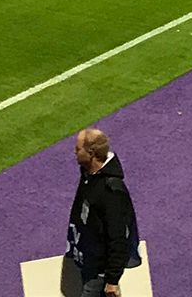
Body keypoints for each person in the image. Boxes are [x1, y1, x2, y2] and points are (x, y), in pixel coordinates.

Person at [65, 127, 140, 296]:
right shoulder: (89, 174)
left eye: (78, 149)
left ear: (91, 153)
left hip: (100, 271)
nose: (74, 152)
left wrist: (112, 280)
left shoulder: (111, 193)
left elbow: (118, 237)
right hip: (89, 261)